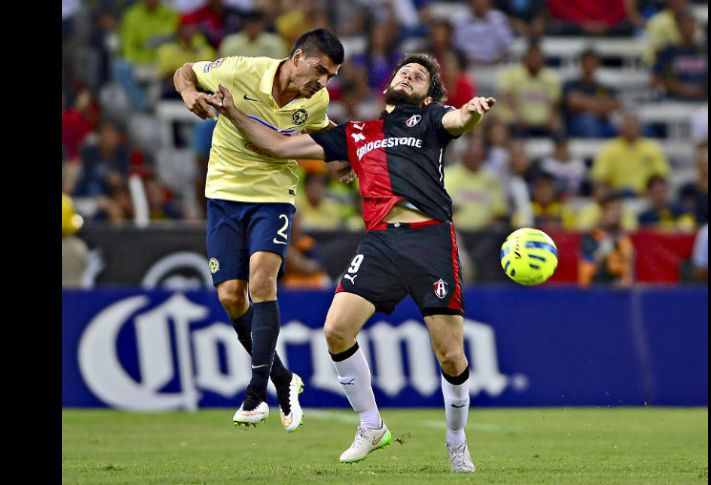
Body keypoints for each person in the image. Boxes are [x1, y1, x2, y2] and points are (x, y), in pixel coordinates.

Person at [212, 52, 494, 473]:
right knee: (336, 330)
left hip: (430, 239)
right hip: (380, 242)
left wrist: (471, 111)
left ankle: (456, 441)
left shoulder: (433, 119)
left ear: (429, 96)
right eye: (404, 71)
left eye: (419, 76)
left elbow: (459, 121)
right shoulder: (357, 132)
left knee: (451, 356)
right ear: (389, 84)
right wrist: (233, 111)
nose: (409, 75)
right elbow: (278, 145)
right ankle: (371, 425)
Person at [172, 28, 345, 430]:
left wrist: (345, 157)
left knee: (262, 281)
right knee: (231, 296)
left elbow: (321, 127)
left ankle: (255, 394)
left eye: (330, 76)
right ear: (297, 57)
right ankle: (283, 380)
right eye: (320, 70)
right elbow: (186, 71)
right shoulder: (240, 71)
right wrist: (189, 93)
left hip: (274, 194)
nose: (322, 82)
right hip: (224, 191)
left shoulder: (316, 100)